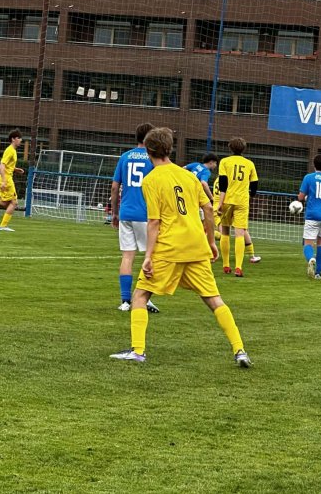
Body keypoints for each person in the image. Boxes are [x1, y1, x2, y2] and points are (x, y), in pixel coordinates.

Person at [109, 127, 252, 368]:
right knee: (214, 300)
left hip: (169, 248)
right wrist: (209, 241)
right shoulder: (189, 175)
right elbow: (207, 209)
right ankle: (240, 350)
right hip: (196, 246)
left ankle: (138, 351)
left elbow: (154, 222)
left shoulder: (152, 180)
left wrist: (149, 256)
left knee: (140, 295)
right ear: (170, 149)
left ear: (149, 151)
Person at [108, 123, 160, 313]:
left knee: (127, 256)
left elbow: (115, 187)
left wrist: (114, 212)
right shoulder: (153, 159)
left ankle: (125, 301)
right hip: (146, 214)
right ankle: (144, 299)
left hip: (126, 212)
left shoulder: (125, 156)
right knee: (151, 256)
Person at [216, 137, 259, 277]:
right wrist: (249, 197)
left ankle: (226, 265)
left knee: (225, 232)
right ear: (244, 149)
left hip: (227, 199)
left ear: (230, 148)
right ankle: (239, 267)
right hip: (242, 201)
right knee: (240, 234)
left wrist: (220, 203)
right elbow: (254, 187)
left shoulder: (224, 162)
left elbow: (223, 184)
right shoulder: (249, 164)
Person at [212, 176, 261, 262]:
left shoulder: (217, 179)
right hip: (228, 205)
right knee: (241, 230)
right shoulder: (229, 179)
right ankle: (252, 256)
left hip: (218, 208)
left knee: (223, 233)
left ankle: (208, 236)